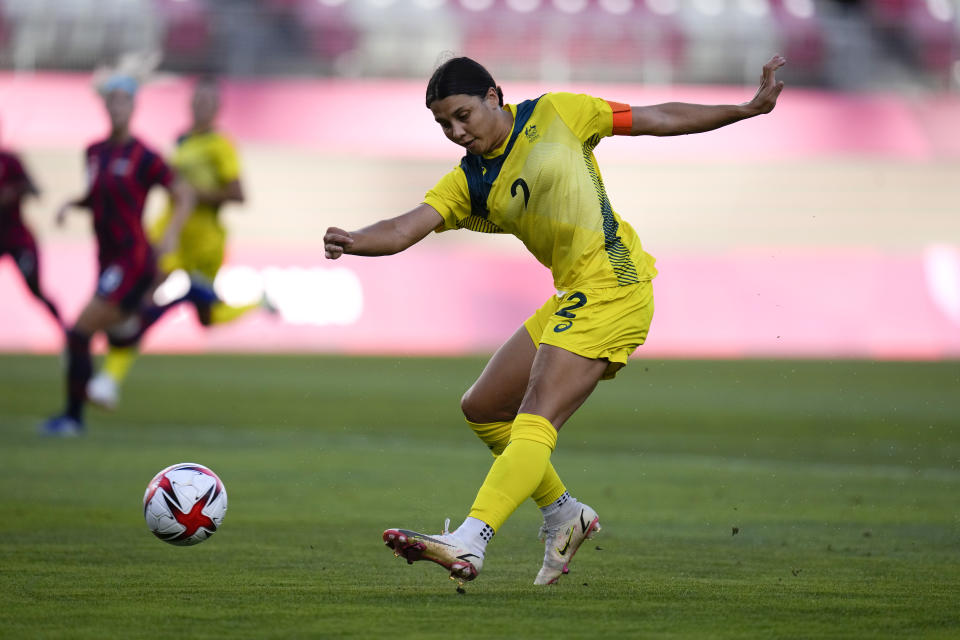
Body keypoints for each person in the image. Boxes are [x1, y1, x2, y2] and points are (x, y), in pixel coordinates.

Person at [323, 55, 786, 586]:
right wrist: (357, 240)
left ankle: (471, 539)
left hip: (616, 283)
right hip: (574, 294)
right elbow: (408, 226)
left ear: (495, 96)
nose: (456, 132)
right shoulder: (470, 181)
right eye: (443, 124)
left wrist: (747, 110)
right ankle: (566, 515)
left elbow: (656, 117)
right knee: (484, 407)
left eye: (463, 115)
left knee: (536, 413)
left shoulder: (559, 113)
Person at [87, 76, 256, 410]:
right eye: (197, 99)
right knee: (138, 302)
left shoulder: (221, 145)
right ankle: (108, 379)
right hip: (169, 236)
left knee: (207, 320)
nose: (200, 105)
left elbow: (238, 194)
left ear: (217, 108)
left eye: (208, 101)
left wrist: (198, 194)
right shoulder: (180, 140)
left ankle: (257, 302)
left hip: (205, 243)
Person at [41, 73, 193, 436]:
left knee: (79, 332)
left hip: (133, 257)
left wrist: (170, 234)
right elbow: (98, 196)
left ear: (133, 106)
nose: (117, 106)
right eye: (112, 100)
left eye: (124, 100)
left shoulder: (144, 155)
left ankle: (72, 418)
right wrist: (71, 204)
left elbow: (183, 192)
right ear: (106, 105)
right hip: (106, 257)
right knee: (120, 335)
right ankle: (187, 295)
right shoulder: (94, 151)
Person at [0, 119, 63, 328]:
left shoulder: (10, 161)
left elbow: (35, 190)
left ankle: (67, 332)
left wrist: (18, 190)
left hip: (16, 238)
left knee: (35, 289)